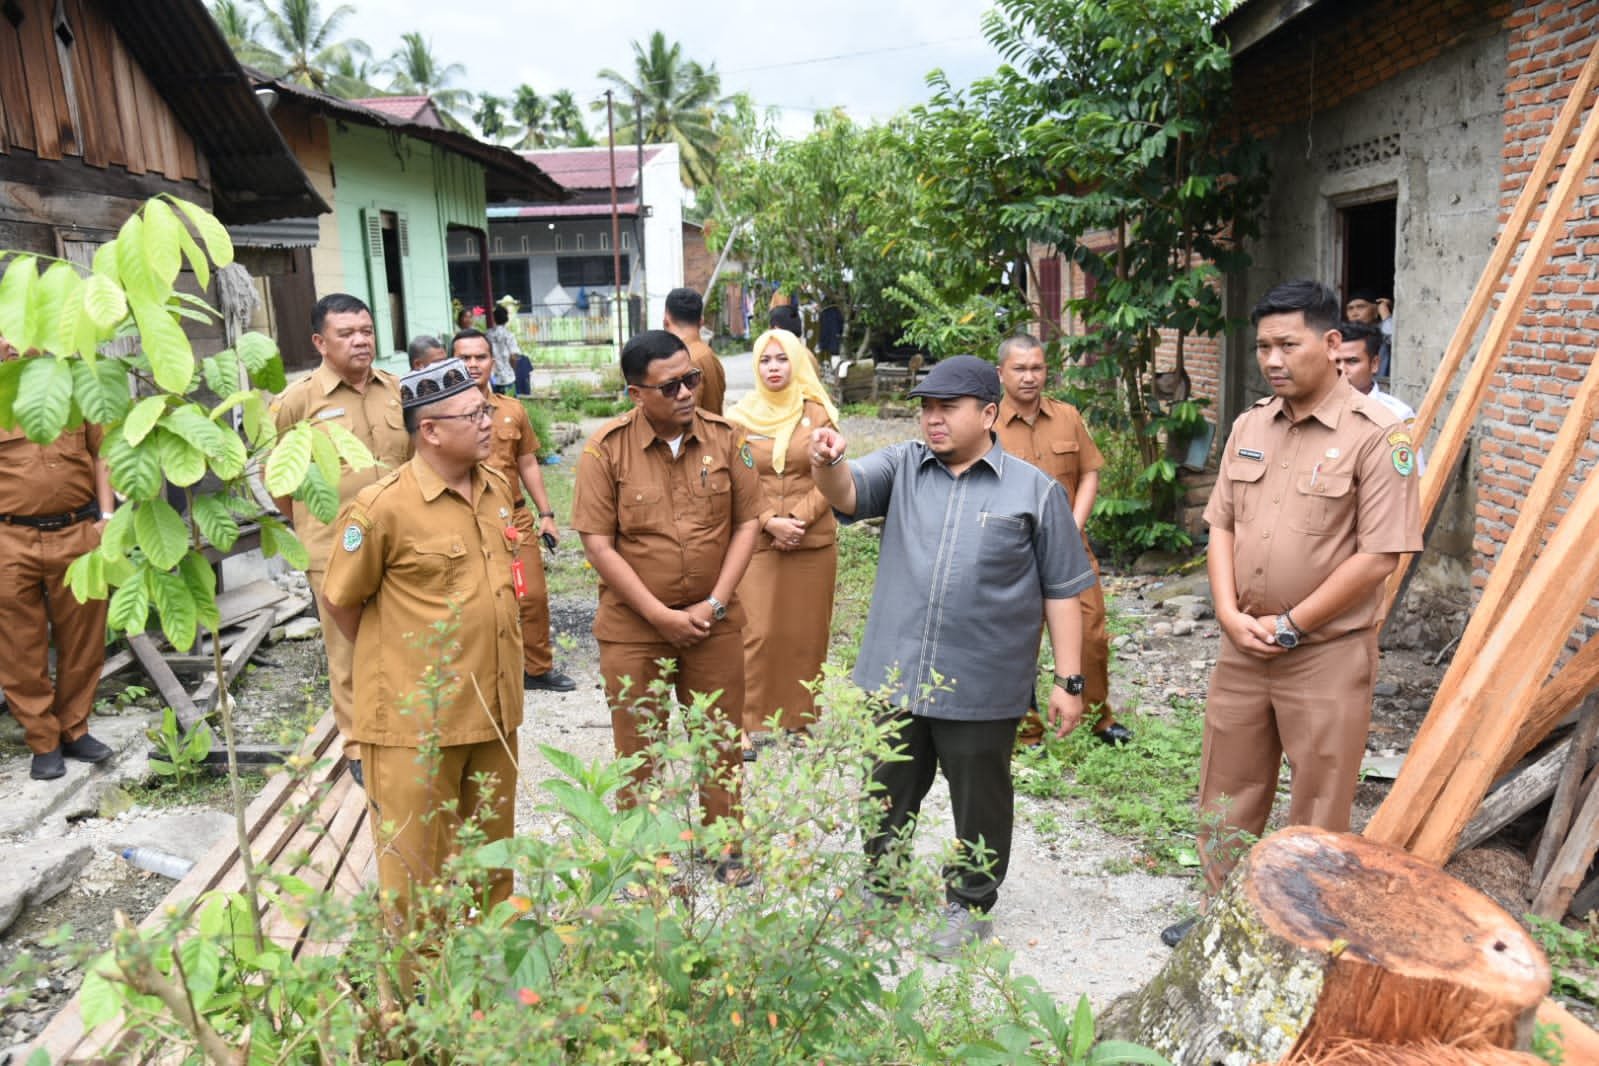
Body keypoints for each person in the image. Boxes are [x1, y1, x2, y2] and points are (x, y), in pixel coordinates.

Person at [1161, 281, 1421, 947]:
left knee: (1317, 797)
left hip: (1324, 655)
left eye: (1287, 344)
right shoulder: (1250, 424)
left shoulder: (1378, 435)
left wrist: (1293, 623)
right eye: (1262, 347)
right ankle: (1222, 915)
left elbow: (1379, 554)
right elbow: (1219, 525)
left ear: (1332, 344)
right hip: (1244, 646)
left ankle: (1296, 931)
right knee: (1227, 789)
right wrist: (1225, 611)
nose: (1271, 360)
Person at [809, 355, 1096, 957]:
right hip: (897, 673)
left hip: (982, 683)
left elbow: (1064, 589)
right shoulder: (905, 466)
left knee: (979, 796)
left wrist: (1069, 680)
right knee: (886, 785)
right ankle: (881, 884)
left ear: (988, 414)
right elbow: (848, 491)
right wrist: (829, 460)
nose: (932, 420)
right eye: (926, 407)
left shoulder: (1032, 490)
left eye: (947, 408)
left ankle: (969, 903)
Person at [320, 357, 523, 931]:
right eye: (474, 413)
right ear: (429, 430)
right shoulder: (382, 506)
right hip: (417, 723)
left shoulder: (496, 488)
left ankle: (490, 992)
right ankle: (421, 1003)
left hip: (494, 710)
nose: (489, 421)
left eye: (487, 408)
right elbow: (340, 600)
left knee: (492, 862)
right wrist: (401, 663)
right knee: (415, 873)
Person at [571, 330, 761, 885]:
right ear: (636, 394)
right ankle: (646, 855)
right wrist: (658, 616)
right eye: (671, 384)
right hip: (634, 630)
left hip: (714, 624)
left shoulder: (729, 440)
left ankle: (724, 845)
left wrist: (717, 603)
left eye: (692, 379)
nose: (686, 392)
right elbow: (598, 544)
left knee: (719, 738)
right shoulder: (603, 451)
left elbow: (749, 522)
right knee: (638, 745)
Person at [270, 294, 413, 784]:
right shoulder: (297, 401)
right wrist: (313, 528)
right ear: (319, 342)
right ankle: (357, 743)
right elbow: (279, 482)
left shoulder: (396, 390)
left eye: (367, 331)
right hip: (335, 547)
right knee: (348, 649)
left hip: (400, 545)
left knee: (405, 637)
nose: (360, 341)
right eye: (347, 333)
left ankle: (406, 724)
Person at [993, 334, 1132, 748]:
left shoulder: (1068, 416)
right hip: (1012, 553)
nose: (1029, 377)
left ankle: (1096, 717)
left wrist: (1073, 526)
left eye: (1037, 368)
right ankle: (1025, 727)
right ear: (1001, 373)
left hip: (1070, 549)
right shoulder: (987, 424)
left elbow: (1089, 471)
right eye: (1019, 369)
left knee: (1090, 635)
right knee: (1016, 640)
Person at [0, 335, 117, 781]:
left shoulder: (73, 384)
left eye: (18, 331)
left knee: (84, 637)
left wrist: (106, 517)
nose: (10, 342)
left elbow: (101, 451)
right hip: (10, 539)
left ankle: (74, 728)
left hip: (77, 531)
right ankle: (43, 741)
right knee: (18, 646)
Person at [726, 328, 840, 756]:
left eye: (782, 359)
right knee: (755, 631)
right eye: (765, 360)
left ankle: (800, 718)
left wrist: (798, 519)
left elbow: (832, 476)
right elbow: (737, 480)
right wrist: (771, 521)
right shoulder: (739, 418)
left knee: (806, 633)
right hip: (757, 539)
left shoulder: (818, 413)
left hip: (811, 541)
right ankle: (743, 722)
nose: (774, 368)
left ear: (797, 362)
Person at [450, 328, 576, 693]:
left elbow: (528, 464)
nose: (473, 364)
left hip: (514, 519)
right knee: (474, 600)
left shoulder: (512, 411)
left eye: (480, 357)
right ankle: (480, 674)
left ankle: (537, 669)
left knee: (531, 595)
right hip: (464, 520)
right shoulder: (439, 415)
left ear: (493, 361)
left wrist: (547, 514)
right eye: (464, 358)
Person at [664, 287, 726, 415]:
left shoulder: (683, 361)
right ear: (701, 321)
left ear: (666, 321)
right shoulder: (709, 354)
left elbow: (686, 415)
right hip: (715, 433)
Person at [1344, 288, 1393, 378]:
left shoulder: (1383, 333)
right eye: (1350, 308)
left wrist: (1385, 313)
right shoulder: (1342, 337)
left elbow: (1394, 342)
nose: (1354, 313)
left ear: (1375, 311)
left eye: (1361, 307)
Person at [485, 305, 521, 396]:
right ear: (506, 318)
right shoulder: (509, 335)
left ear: (494, 318)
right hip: (507, 377)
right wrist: (513, 368)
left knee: (496, 405)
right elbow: (514, 356)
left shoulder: (487, 334)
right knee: (510, 404)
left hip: (492, 377)